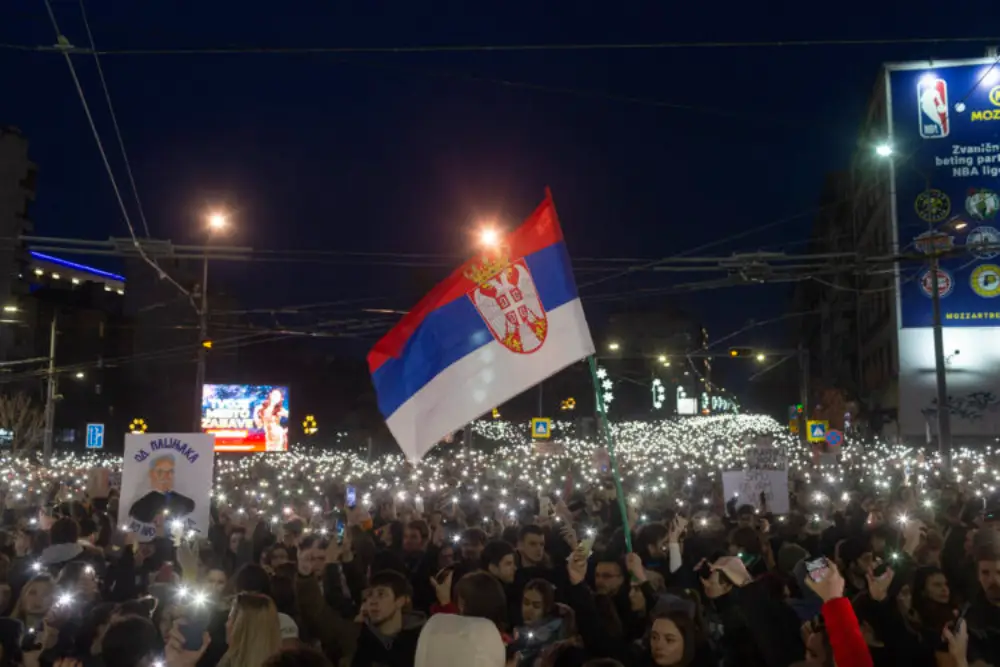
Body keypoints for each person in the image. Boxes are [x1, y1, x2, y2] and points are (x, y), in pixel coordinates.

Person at [352, 570, 426, 667]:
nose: (372, 601)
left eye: (381, 594)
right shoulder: (359, 640)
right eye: (369, 595)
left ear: (400, 601)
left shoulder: (422, 641)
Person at [127, 455, 196, 524]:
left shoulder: (187, 503)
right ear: (151, 474)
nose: (167, 475)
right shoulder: (138, 507)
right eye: (160, 472)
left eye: (170, 471)